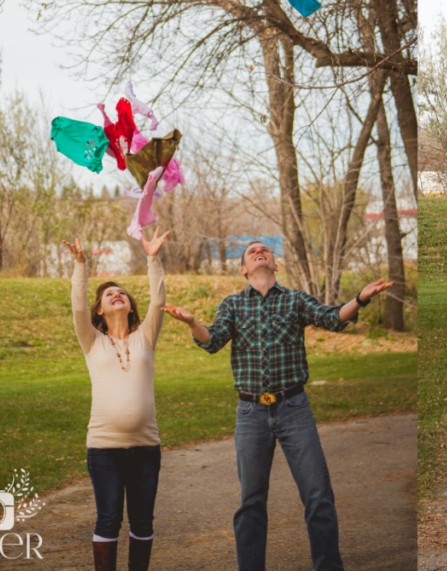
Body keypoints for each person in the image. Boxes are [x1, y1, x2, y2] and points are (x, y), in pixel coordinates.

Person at [162, 240, 392, 571]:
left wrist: (359, 299)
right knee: (251, 503)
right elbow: (212, 340)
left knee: (318, 497)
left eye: (264, 251)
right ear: (244, 269)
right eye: (252, 252)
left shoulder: (295, 300)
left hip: (293, 407)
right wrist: (191, 322)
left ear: (275, 264)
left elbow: (331, 318)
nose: (259, 252)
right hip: (251, 413)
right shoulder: (233, 305)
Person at [63, 228, 170, 571]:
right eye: (109, 293)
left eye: (122, 292)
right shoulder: (92, 341)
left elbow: (158, 300)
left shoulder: (145, 338)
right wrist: (81, 266)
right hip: (104, 448)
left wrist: (152, 258)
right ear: (100, 310)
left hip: (145, 447)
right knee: (108, 519)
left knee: (142, 522)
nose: (117, 294)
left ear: (130, 306)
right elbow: (77, 305)